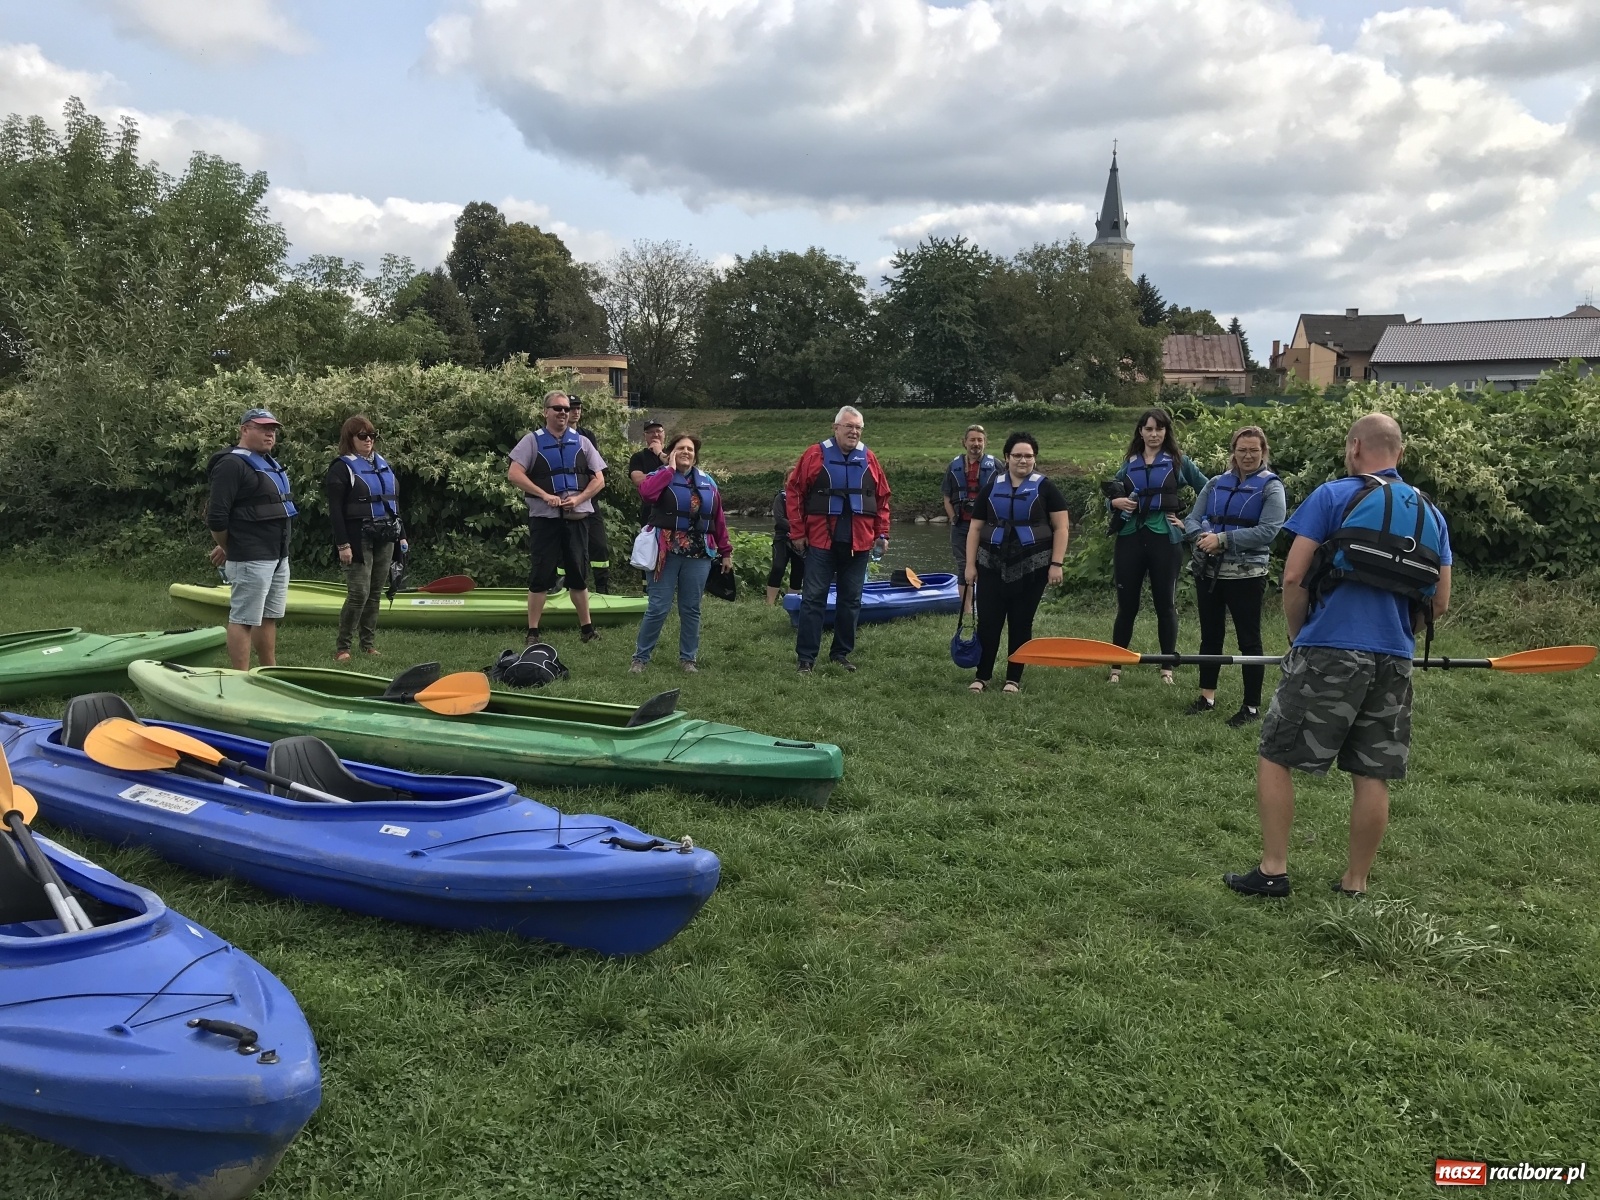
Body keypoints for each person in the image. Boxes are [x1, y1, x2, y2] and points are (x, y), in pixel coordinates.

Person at [1225, 413, 1452, 899]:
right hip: (1394, 658)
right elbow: (1439, 602)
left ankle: (1273, 870)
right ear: (1400, 454)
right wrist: (1399, 636)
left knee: (1276, 753)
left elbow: (1293, 577)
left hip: (1328, 648)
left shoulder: (1332, 495)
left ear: (1354, 448)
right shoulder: (1431, 514)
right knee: (1373, 770)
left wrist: (1299, 637)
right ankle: (1356, 883)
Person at [1181, 426, 1286, 725]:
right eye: (1242, 450)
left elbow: (1268, 530)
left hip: (1246, 575)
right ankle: (1207, 697)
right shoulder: (1215, 483)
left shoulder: (1271, 487)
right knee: (1210, 636)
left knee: (1249, 641)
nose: (1248, 456)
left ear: (1263, 452)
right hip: (1208, 571)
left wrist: (1223, 539)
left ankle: (1251, 707)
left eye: (1254, 450)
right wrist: (1202, 538)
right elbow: (1191, 519)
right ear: (1234, 452)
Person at [785, 405, 892, 673]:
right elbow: (794, 492)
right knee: (813, 599)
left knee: (851, 600)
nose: (854, 432)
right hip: (821, 540)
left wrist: (882, 533)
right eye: (849, 426)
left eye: (858, 427)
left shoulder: (869, 458)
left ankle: (841, 654)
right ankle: (806, 659)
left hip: (859, 542)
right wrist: (798, 531)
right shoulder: (814, 455)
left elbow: (882, 499)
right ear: (836, 428)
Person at [1106, 408, 1209, 684]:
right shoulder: (1130, 463)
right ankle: (1116, 668)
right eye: (1149, 429)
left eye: (1159, 429)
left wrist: (1191, 523)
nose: (1154, 434)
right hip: (1130, 537)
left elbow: (1209, 489)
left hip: (1165, 537)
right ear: (1141, 432)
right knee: (1126, 606)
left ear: (1166, 431)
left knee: (1166, 604)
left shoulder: (1179, 462)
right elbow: (1111, 494)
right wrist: (1114, 503)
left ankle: (1167, 668)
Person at [962, 432, 1069, 693]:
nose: (1023, 460)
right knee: (989, 622)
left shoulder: (1046, 487)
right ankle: (982, 676)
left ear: (1035, 458)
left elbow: (1061, 527)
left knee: (1021, 622)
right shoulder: (991, 487)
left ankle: (1013, 679)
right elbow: (975, 528)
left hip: (1032, 565)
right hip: (991, 563)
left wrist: (1056, 564)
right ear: (1007, 458)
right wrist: (970, 565)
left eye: (1028, 456)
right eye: (1018, 455)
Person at [508, 390, 607, 647]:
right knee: (541, 574)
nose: (563, 412)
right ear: (546, 412)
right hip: (545, 518)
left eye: (566, 409)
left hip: (576, 518)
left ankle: (587, 629)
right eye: (557, 408)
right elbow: (514, 474)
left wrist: (579, 498)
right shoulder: (532, 441)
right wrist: (544, 495)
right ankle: (533, 632)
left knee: (578, 574)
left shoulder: (582, 442)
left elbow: (599, 479)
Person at [630, 434, 733, 673]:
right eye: (681, 448)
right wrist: (669, 469)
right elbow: (647, 494)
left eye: (690, 449)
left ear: (695, 456)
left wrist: (725, 551)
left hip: (699, 554)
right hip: (666, 552)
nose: (686, 452)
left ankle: (688, 659)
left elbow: (718, 519)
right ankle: (640, 658)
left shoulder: (708, 482)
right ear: (671, 452)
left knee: (691, 608)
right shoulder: (659, 475)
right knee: (658, 607)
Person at [206, 407, 295, 670]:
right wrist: (228, 546)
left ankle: (268, 672)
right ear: (245, 430)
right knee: (244, 619)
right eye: (263, 428)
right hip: (251, 555)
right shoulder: (231, 464)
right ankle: (240, 678)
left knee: (268, 617)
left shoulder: (267, 463)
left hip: (277, 555)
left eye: (273, 430)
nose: (270, 434)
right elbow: (217, 518)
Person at [324, 414, 407, 663]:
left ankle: (368, 644)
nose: (368, 439)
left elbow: (393, 504)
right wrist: (343, 544)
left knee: (375, 591)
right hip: (357, 537)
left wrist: (402, 536)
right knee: (359, 592)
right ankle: (343, 646)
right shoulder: (341, 468)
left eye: (372, 435)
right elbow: (335, 511)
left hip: (386, 534)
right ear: (350, 438)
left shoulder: (382, 464)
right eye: (362, 435)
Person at [942, 424, 999, 616]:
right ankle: (967, 611)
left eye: (980, 440)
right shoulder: (954, 466)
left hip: (987, 527)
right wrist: (953, 518)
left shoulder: (996, 466)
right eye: (972, 440)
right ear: (964, 442)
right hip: (961, 526)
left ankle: (985, 608)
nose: (976, 443)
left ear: (985, 443)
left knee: (987, 566)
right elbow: (947, 497)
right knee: (963, 566)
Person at [564, 394, 611, 595]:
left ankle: (602, 588)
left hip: (589, 500)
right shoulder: (553, 437)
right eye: (571, 408)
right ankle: (564, 587)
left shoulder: (587, 436)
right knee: (568, 548)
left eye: (578, 408)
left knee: (599, 545)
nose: (575, 412)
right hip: (566, 502)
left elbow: (595, 468)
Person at [765, 486, 804, 605]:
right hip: (782, 538)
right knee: (778, 568)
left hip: (800, 539)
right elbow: (780, 518)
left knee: (798, 572)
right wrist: (797, 529)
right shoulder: (781, 498)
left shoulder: (804, 498)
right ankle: (769, 603)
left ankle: (792, 602)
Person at [628, 420, 667, 525]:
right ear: (644, 436)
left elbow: (680, 472)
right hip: (650, 512)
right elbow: (638, 480)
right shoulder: (638, 457)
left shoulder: (673, 453)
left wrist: (659, 453)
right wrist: (667, 475)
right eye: (650, 432)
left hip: (673, 510)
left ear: (664, 433)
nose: (655, 434)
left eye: (658, 431)